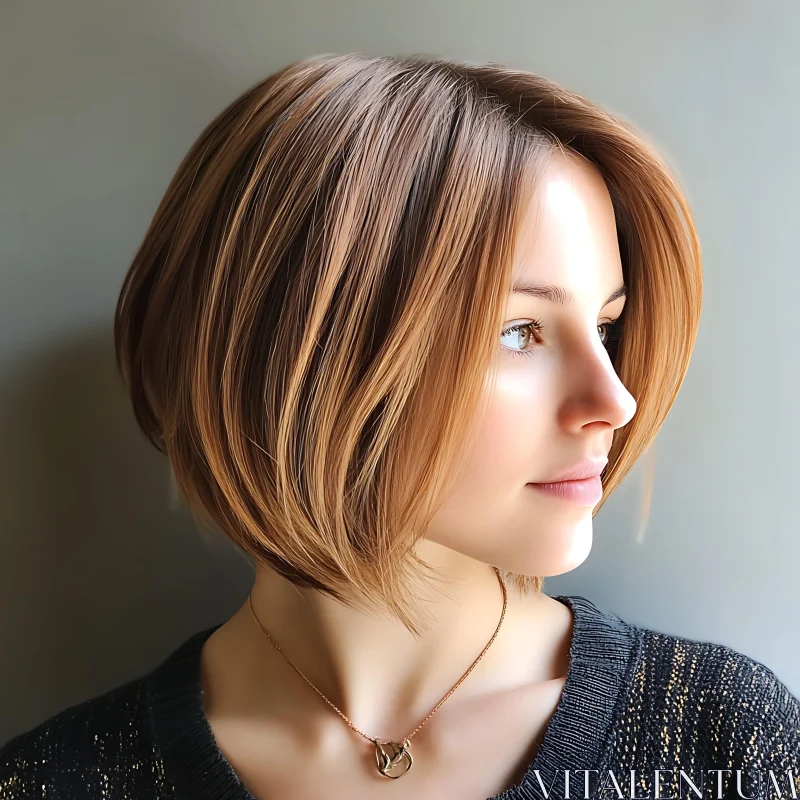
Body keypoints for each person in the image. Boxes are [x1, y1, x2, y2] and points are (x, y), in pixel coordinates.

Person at [1, 52, 798, 800]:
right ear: (305, 357)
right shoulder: (53, 781)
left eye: (608, 326)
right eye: (519, 331)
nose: (616, 401)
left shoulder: (721, 744)